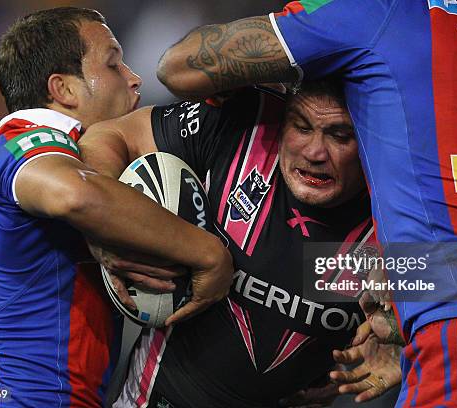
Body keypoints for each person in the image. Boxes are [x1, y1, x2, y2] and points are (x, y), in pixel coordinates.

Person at [155, 1, 457, 406]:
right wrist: (412, 312)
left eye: (340, 135)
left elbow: (179, 66)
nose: (315, 150)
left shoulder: (381, 10)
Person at [0, 7, 232, 407]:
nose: (134, 79)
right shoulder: (19, 145)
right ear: (64, 90)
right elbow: (78, 196)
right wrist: (209, 255)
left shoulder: (31, 152)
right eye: (114, 64)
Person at [80, 79, 401, 408]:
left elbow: (451, 288)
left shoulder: (405, 214)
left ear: (371, 141)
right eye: (301, 127)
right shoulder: (244, 123)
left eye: (339, 135)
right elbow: (110, 136)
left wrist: (408, 345)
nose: (314, 152)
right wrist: (105, 227)